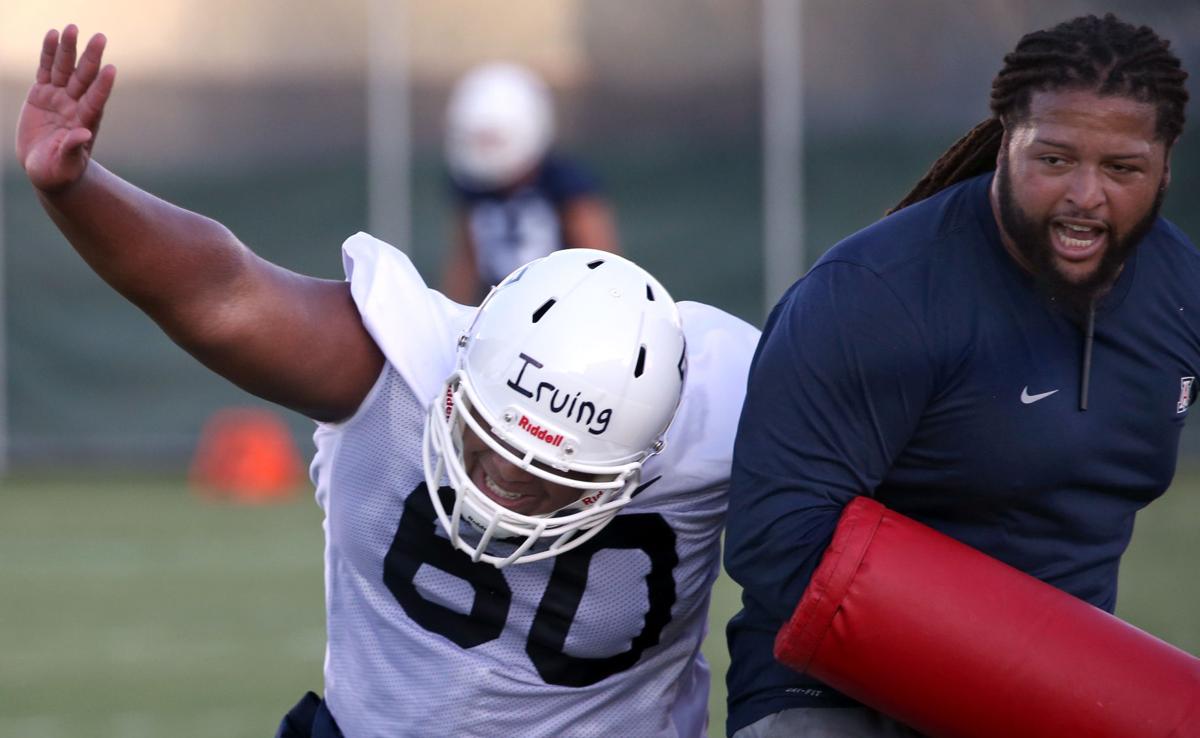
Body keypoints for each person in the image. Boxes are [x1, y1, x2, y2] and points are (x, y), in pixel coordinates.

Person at [17, 26, 761, 738]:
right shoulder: (402, 362)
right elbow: (221, 292)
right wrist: (78, 192)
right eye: (491, 438)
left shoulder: (726, 412)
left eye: (550, 473)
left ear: (640, 458)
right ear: (459, 371)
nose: (502, 483)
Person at [724, 13, 1194, 738]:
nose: (1086, 195)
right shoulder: (876, 294)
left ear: (1165, 165)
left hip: (1054, 696)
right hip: (833, 689)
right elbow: (775, 540)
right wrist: (1003, 681)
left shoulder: (1182, 292)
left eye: (1122, 168)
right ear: (1007, 139)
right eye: (1056, 159)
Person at [440, 61, 621, 304]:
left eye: (492, 140)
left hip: (565, 314)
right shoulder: (472, 190)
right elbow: (466, 262)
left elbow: (604, 264)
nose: (484, 152)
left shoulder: (565, 186)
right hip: (496, 316)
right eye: (478, 140)